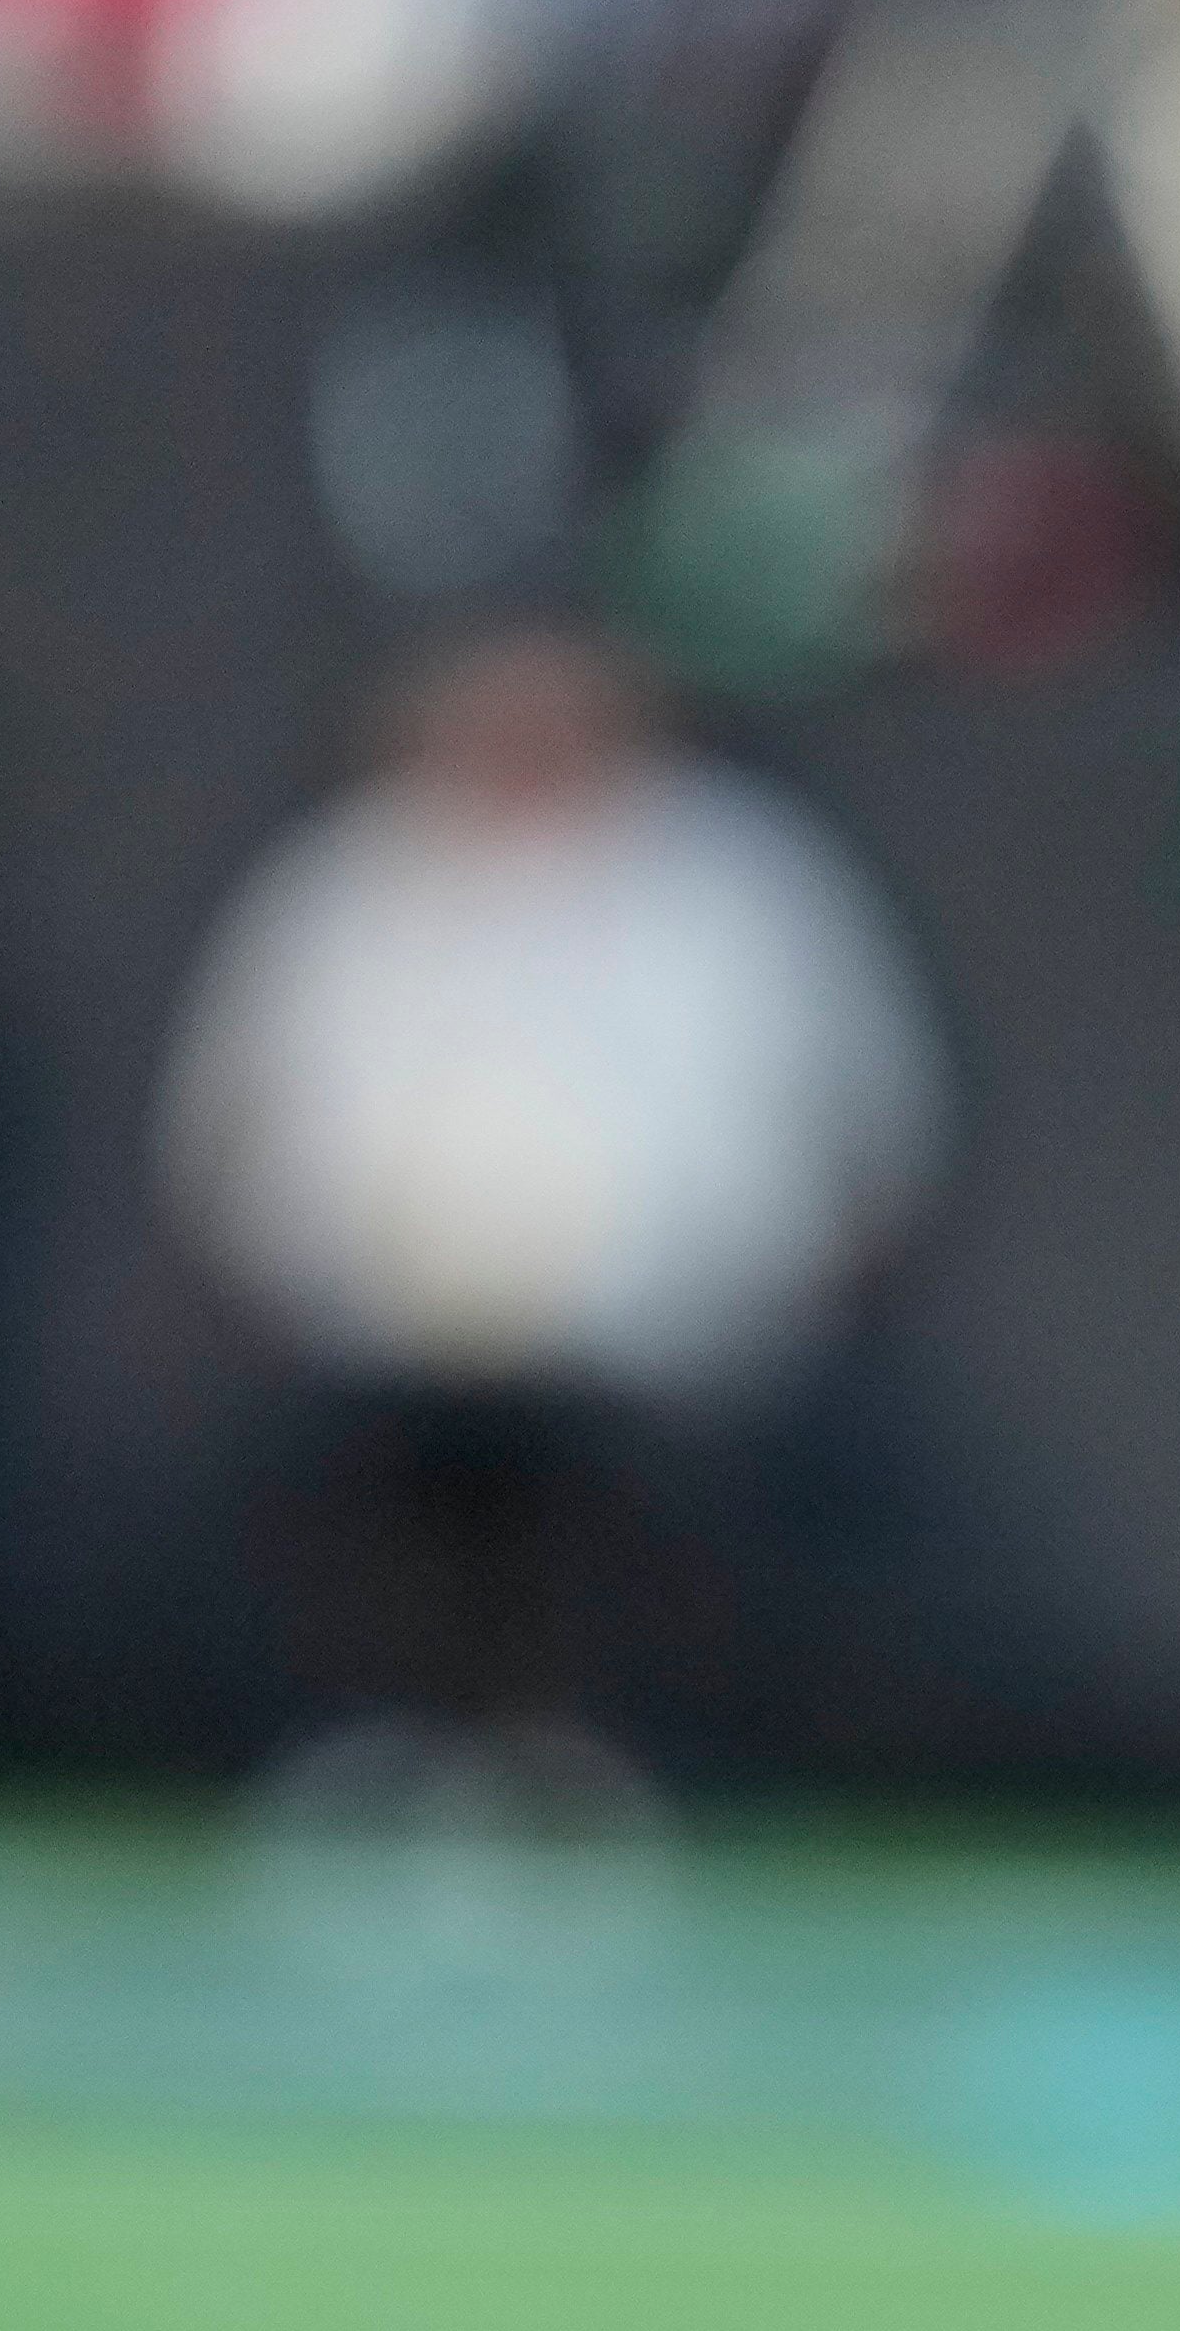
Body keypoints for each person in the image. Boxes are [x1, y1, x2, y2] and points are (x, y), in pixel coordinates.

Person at [158, 615, 940, 1800]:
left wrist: (710, 1282)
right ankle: (386, 1748)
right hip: (382, 1348)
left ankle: (618, 1753)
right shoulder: (339, 882)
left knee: (650, 1471)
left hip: (678, 1350)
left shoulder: (741, 879)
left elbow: (867, 1138)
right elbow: (228, 1138)